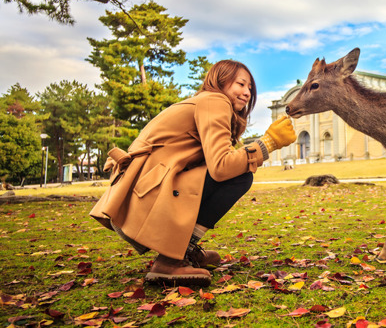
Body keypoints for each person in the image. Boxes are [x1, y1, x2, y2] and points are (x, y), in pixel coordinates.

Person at [90, 60, 296, 286]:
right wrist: (268, 143)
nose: (247, 92)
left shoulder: (203, 102)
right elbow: (221, 166)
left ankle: (180, 250)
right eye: (241, 84)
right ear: (220, 80)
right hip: (147, 196)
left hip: (139, 194)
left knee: (238, 171)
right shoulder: (215, 100)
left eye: (250, 88)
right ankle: (171, 259)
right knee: (239, 176)